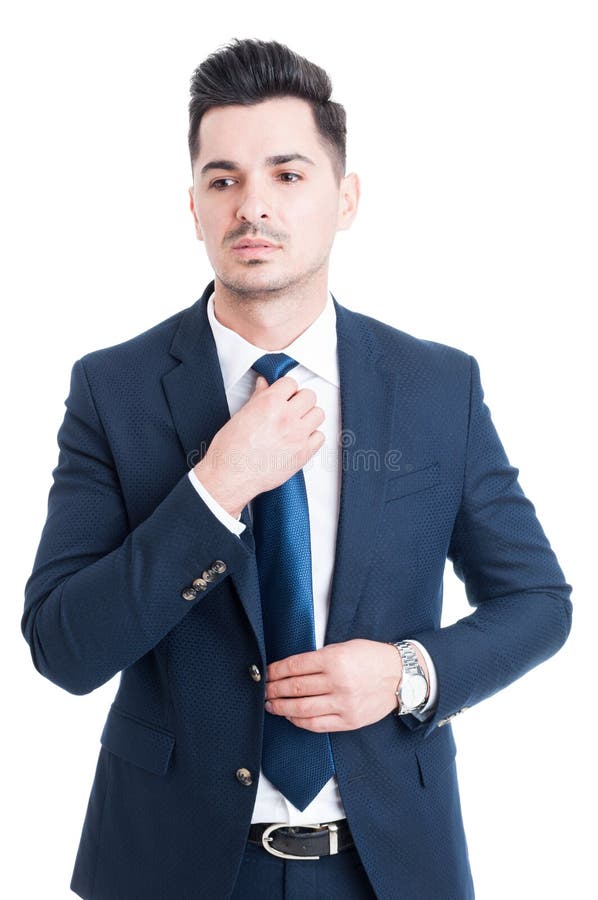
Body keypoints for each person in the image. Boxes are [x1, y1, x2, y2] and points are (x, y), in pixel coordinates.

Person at [22, 37, 572, 900]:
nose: (253, 207)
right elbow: (62, 647)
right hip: (170, 867)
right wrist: (217, 487)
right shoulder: (113, 389)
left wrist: (408, 673)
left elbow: (538, 602)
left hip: (388, 865)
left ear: (344, 197)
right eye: (224, 179)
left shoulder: (436, 387)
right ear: (195, 207)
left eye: (288, 174)